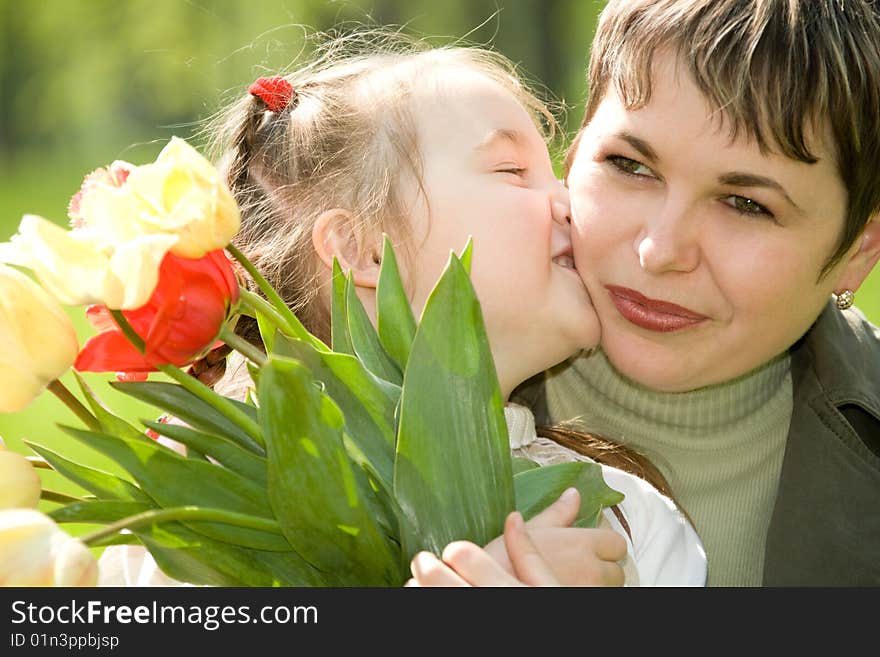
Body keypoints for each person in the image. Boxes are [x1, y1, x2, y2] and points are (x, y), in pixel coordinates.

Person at [98, 33, 706, 587]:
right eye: (513, 171)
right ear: (361, 250)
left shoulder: (626, 521)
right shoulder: (201, 513)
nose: (567, 201)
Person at [493, 0, 879, 587]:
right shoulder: (372, 384)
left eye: (747, 204)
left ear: (858, 250)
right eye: (630, 165)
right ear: (572, 155)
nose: (660, 250)